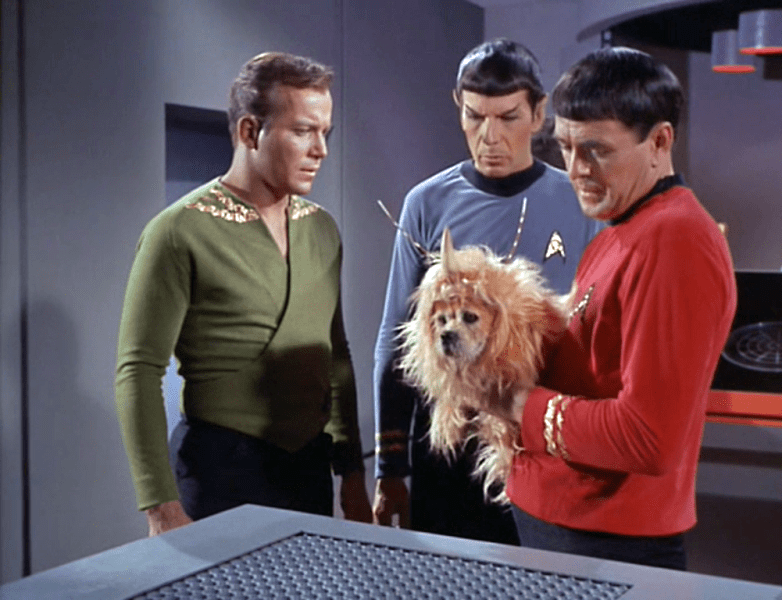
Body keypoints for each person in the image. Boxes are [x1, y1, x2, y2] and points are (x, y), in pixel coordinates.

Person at [115, 52, 371, 537]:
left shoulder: (321, 230)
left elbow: (336, 356)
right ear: (250, 131)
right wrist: (160, 507)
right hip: (220, 471)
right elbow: (138, 370)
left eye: (325, 133)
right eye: (303, 131)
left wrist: (352, 474)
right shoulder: (178, 231)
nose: (321, 150)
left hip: (308, 471)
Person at [501, 47, 736, 569]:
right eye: (565, 147)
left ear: (660, 142)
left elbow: (648, 437)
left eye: (596, 151)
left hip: (605, 537)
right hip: (568, 523)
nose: (576, 169)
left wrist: (516, 404)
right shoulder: (622, 227)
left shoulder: (676, 239)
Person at [372, 39, 601, 544]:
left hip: (543, 440)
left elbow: (601, 336)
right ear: (459, 108)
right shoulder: (426, 203)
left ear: (538, 114)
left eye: (508, 117)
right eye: (475, 117)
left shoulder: (580, 201)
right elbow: (396, 339)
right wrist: (390, 465)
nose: (489, 136)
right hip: (448, 442)